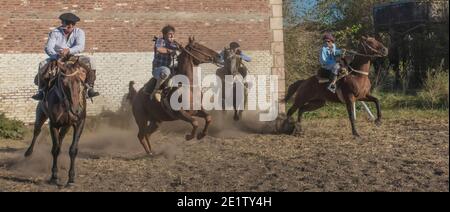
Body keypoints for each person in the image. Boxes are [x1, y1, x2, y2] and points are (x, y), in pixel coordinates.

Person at [32, 13, 99, 100]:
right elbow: (48, 48)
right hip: (57, 57)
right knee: (42, 64)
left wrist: (69, 50)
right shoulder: (54, 32)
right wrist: (56, 56)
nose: (70, 26)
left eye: (73, 24)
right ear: (62, 23)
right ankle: (41, 91)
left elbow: (80, 46)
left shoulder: (79, 32)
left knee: (92, 61)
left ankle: (90, 88)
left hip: (73, 56)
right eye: (68, 23)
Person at [145, 25, 178, 101]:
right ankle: (157, 91)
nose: (172, 35)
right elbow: (159, 49)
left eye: (173, 34)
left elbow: (178, 52)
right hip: (158, 70)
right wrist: (171, 51)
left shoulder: (173, 44)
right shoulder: (160, 40)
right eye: (170, 34)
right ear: (164, 35)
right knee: (166, 71)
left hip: (168, 68)